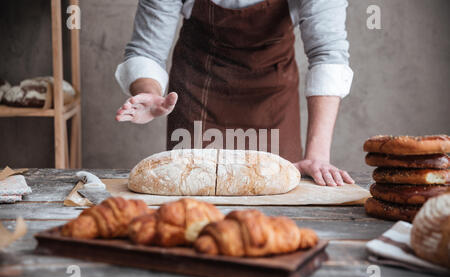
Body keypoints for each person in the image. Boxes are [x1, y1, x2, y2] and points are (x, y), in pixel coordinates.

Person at [115, 0, 355, 187]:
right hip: (199, 94)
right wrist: (149, 93)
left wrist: (317, 156)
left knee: (277, 199)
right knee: (194, 195)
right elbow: (147, 49)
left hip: (272, 96)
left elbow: (327, 54)